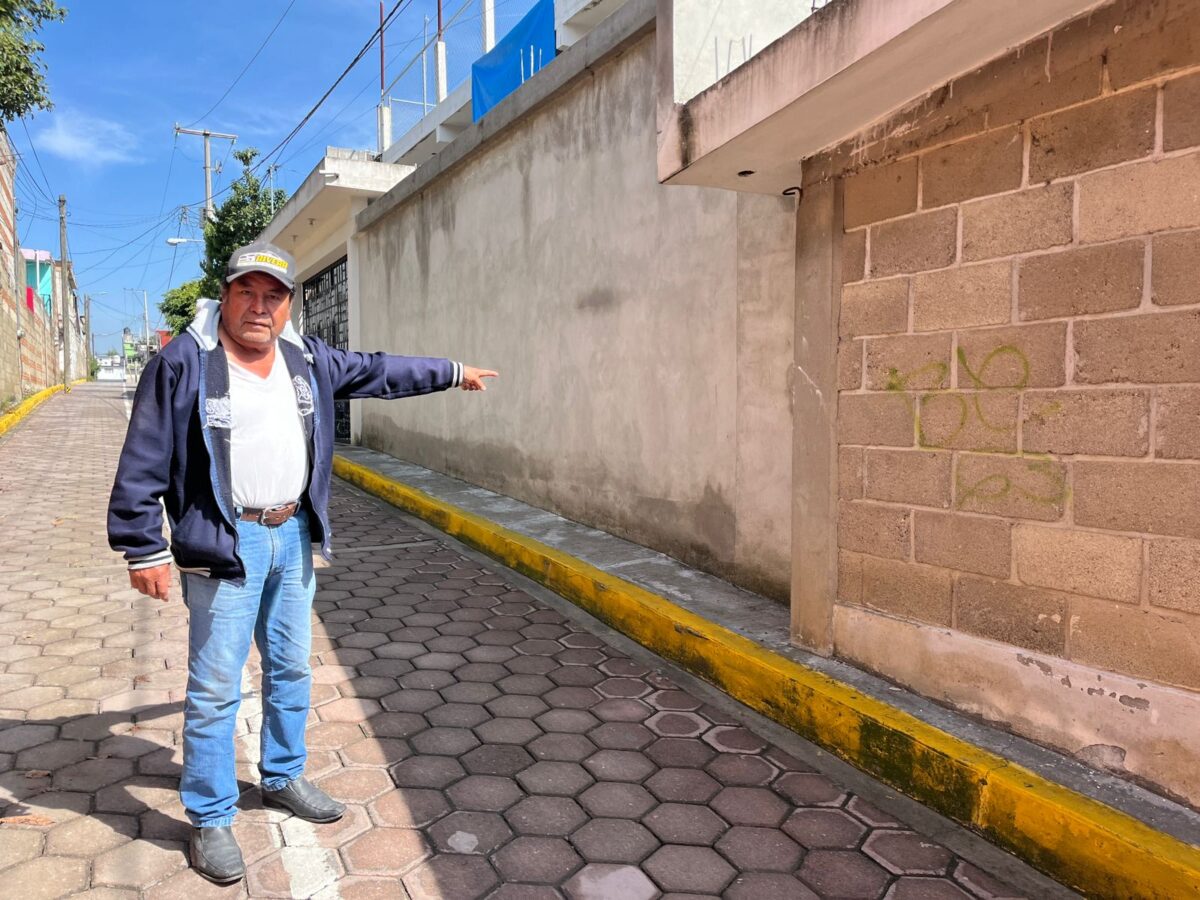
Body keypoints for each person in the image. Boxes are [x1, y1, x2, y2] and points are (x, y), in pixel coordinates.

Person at [107, 240, 497, 883]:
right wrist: (141, 545)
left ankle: (283, 775)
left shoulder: (304, 358)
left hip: (291, 535)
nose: (259, 307)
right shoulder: (184, 361)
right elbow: (144, 455)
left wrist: (453, 372)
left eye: (273, 296)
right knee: (215, 689)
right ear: (226, 295)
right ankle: (211, 816)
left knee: (289, 667)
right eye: (247, 292)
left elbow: (377, 371)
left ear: (288, 305)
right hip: (225, 543)